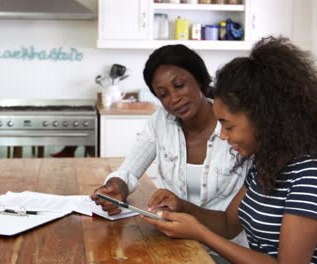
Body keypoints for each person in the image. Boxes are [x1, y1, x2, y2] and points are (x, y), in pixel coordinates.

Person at [143, 36, 317, 264]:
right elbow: (228, 224)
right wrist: (182, 206)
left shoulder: (310, 175)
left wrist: (200, 234)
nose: (223, 135)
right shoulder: (268, 163)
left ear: (264, 118)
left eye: (228, 126)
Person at [90, 44, 251, 251]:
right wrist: (115, 188)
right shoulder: (160, 123)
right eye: (163, 94)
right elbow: (128, 171)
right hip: (173, 244)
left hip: (225, 250)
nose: (174, 98)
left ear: (199, 79)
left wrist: (184, 208)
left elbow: (232, 222)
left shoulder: (236, 128)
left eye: (179, 85)